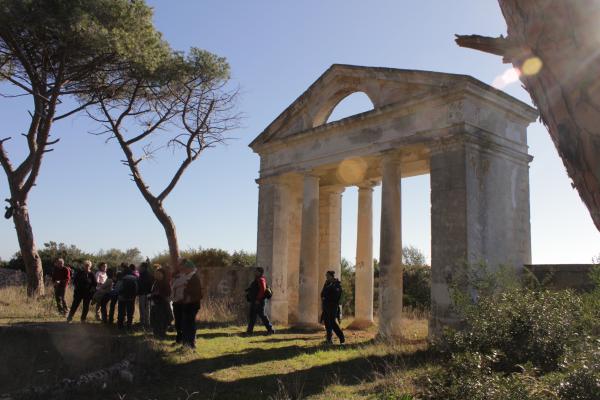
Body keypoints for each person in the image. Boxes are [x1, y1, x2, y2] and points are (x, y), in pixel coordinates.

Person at [171, 259, 202, 348]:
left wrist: (188, 297)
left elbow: (198, 293)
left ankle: (191, 344)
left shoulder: (194, 277)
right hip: (186, 304)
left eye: (185, 268)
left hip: (191, 305)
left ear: (190, 268)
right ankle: (186, 343)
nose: (183, 269)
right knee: (185, 324)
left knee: (190, 324)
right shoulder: (187, 276)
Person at [245, 267, 274, 335]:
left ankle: (271, 330)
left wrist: (258, 300)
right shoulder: (257, 279)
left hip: (258, 302)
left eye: (256, 271)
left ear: (260, 272)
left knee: (262, 316)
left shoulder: (261, 279)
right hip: (255, 301)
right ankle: (249, 332)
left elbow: (262, 290)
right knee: (253, 316)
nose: (254, 272)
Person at [320, 270, 345, 344]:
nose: (326, 277)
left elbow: (335, 296)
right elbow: (322, 294)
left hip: (333, 306)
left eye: (327, 276)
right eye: (326, 276)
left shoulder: (337, 284)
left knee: (332, 322)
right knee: (327, 322)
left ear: (331, 276)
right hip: (326, 306)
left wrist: (326, 297)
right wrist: (324, 297)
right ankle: (329, 339)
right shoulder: (327, 283)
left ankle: (341, 337)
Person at [150, 266, 172, 338]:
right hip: (155, 303)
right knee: (155, 319)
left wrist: (159, 294)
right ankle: (156, 333)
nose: (157, 275)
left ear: (163, 274)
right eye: (156, 274)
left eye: (159, 274)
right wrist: (152, 295)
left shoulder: (165, 282)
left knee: (162, 319)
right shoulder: (155, 282)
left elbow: (168, 293)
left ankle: (162, 333)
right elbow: (154, 291)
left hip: (163, 304)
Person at [117, 266, 138, 330]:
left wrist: (119, 293)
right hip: (131, 298)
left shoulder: (123, 278)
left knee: (121, 311)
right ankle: (129, 325)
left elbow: (119, 288)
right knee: (130, 312)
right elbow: (137, 288)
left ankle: (120, 325)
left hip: (122, 297)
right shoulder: (135, 278)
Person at [137, 262, 154, 329]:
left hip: (143, 294)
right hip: (148, 294)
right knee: (147, 309)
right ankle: (147, 322)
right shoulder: (149, 274)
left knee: (143, 308)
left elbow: (142, 285)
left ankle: (143, 322)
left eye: (140, 267)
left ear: (143, 267)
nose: (139, 268)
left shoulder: (143, 275)